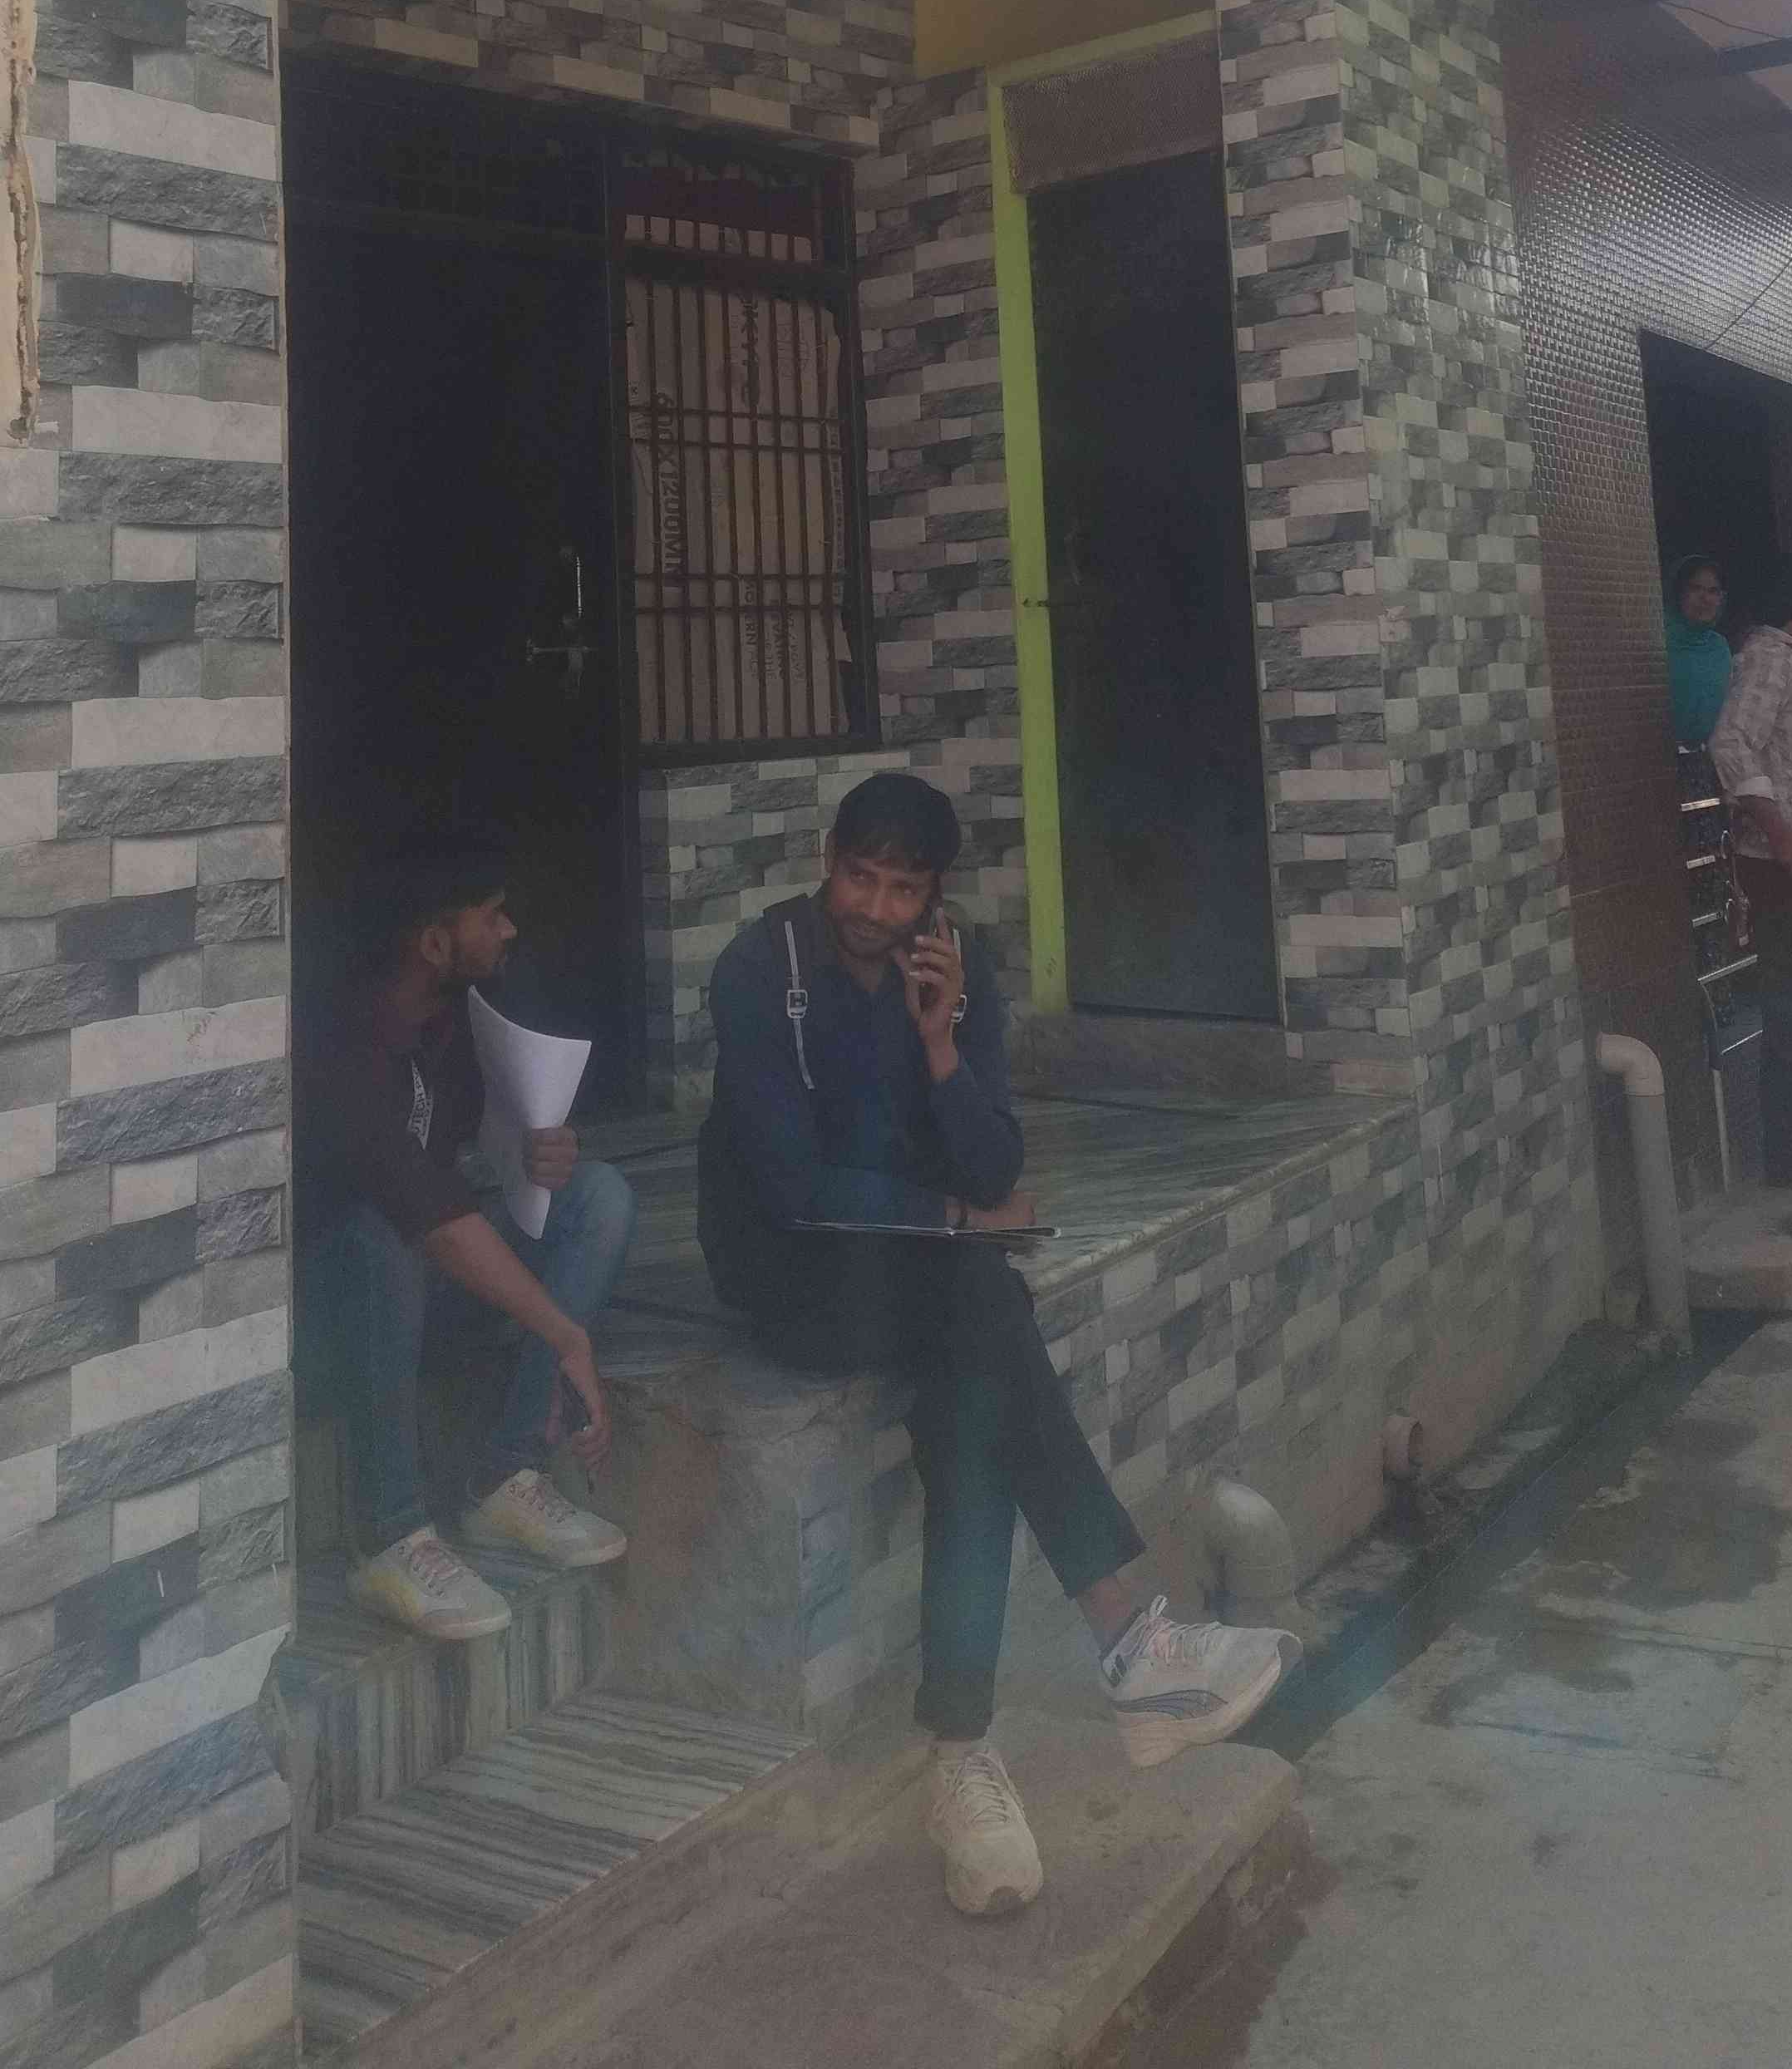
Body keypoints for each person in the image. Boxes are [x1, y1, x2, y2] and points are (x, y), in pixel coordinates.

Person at [697, 771, 1296, 1921]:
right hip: (792, 1275)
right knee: (981, 1303)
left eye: (903, 888)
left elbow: (993, 1162)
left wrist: (940, 1043)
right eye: (859, 878)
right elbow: (787, 1188)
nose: (875, 909)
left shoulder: (955, 964)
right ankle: (1111, 1655)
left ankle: (974, 1750)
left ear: (935, 893)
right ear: (827, 863)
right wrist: (954, 1219)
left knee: (973, 1382)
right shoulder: (758, 970)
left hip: (921, 1271)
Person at [295, 830, 636, 1638]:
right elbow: (426, 1212)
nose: (509, 930)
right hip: (333, 1323)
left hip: (422, 1296)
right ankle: (388, 1533)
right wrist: (566, 1336)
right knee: (381, 1232)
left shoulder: (448, 1022)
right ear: (434, 942)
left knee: (599, 1196)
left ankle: (506, 1476)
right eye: (492, 915)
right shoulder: (338, 1044)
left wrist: (535, 1155)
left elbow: (464, 1161)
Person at [1711, 559, 1792, 1180]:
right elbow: (1730, 741)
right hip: (1783, 865)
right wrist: (1782, 833)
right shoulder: (1774, 659)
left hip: (1789, 858)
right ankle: (1790, 1160)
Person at [1664, 554, 1732, 747]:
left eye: (1713, 591)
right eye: (1695, 588)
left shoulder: (1719, 647)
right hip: (1654, 756)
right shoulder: (1657, 641)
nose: (1705, 598)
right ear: (1678, 593)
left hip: (1711, 758)